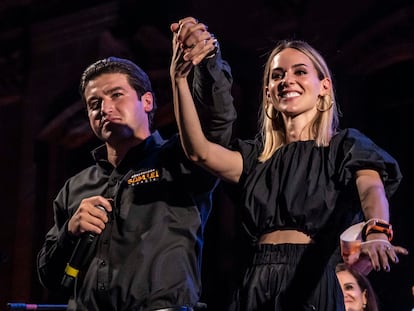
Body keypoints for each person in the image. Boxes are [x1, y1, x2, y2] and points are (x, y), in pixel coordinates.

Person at [170, 38, 409, 311]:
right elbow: (199, 152)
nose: (287, 80)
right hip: (255, 277)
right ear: (268, 91)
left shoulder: (344, 147)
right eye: (277, 75)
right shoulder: (255, 157)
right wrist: (179, 80)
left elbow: (371, 189)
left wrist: (377, 230)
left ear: (324, 87)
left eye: (300, 71)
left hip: (312, 274)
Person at [36, 17, 236, 311]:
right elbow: (48, 277)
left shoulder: (180, 160)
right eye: (94, 104)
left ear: (147, 102)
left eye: (116, 95)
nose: (104, 109)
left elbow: (215, 122)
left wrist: (206, 62)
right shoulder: (76, 187)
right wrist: (70, 232)